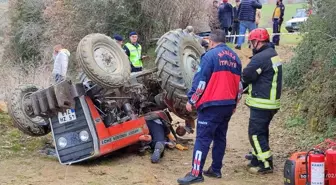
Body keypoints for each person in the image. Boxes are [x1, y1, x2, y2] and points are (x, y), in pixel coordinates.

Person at [177, 29, 242, 185]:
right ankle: (216, 169)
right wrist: (235, 103)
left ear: (212, 42)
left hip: (211, 105)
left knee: (202, 139)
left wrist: (191, 100)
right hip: (228, 105)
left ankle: (196, 173)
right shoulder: (236, 58)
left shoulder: (209, 56)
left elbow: (200, 82)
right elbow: (239, 86)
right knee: (220, 137)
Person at [242, 28, 282, 174]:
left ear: (257, 42)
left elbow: (247, 75)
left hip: (262, 103)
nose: (251, 45)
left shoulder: (260, 58)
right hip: (271, 102)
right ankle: (256, 157)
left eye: (252, 42)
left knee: (255, 133)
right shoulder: (272, 54)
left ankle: (265, 164)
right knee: (261, 131)